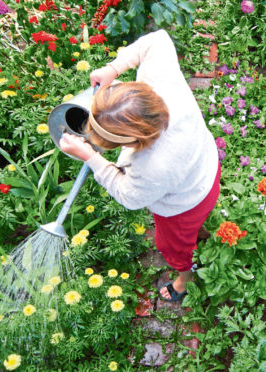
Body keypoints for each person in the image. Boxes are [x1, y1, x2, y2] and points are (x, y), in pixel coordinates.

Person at [59, 29, 220, 302]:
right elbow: (157, 39)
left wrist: (91, 158)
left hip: (185, 202)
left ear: (136, 140)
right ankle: (200, 228)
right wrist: (113, 68)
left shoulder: (153, 166)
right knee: (195, 223)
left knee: (172, 246)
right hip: (207, 168)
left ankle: (184, 280)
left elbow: (128, 196)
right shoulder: (159, 85)